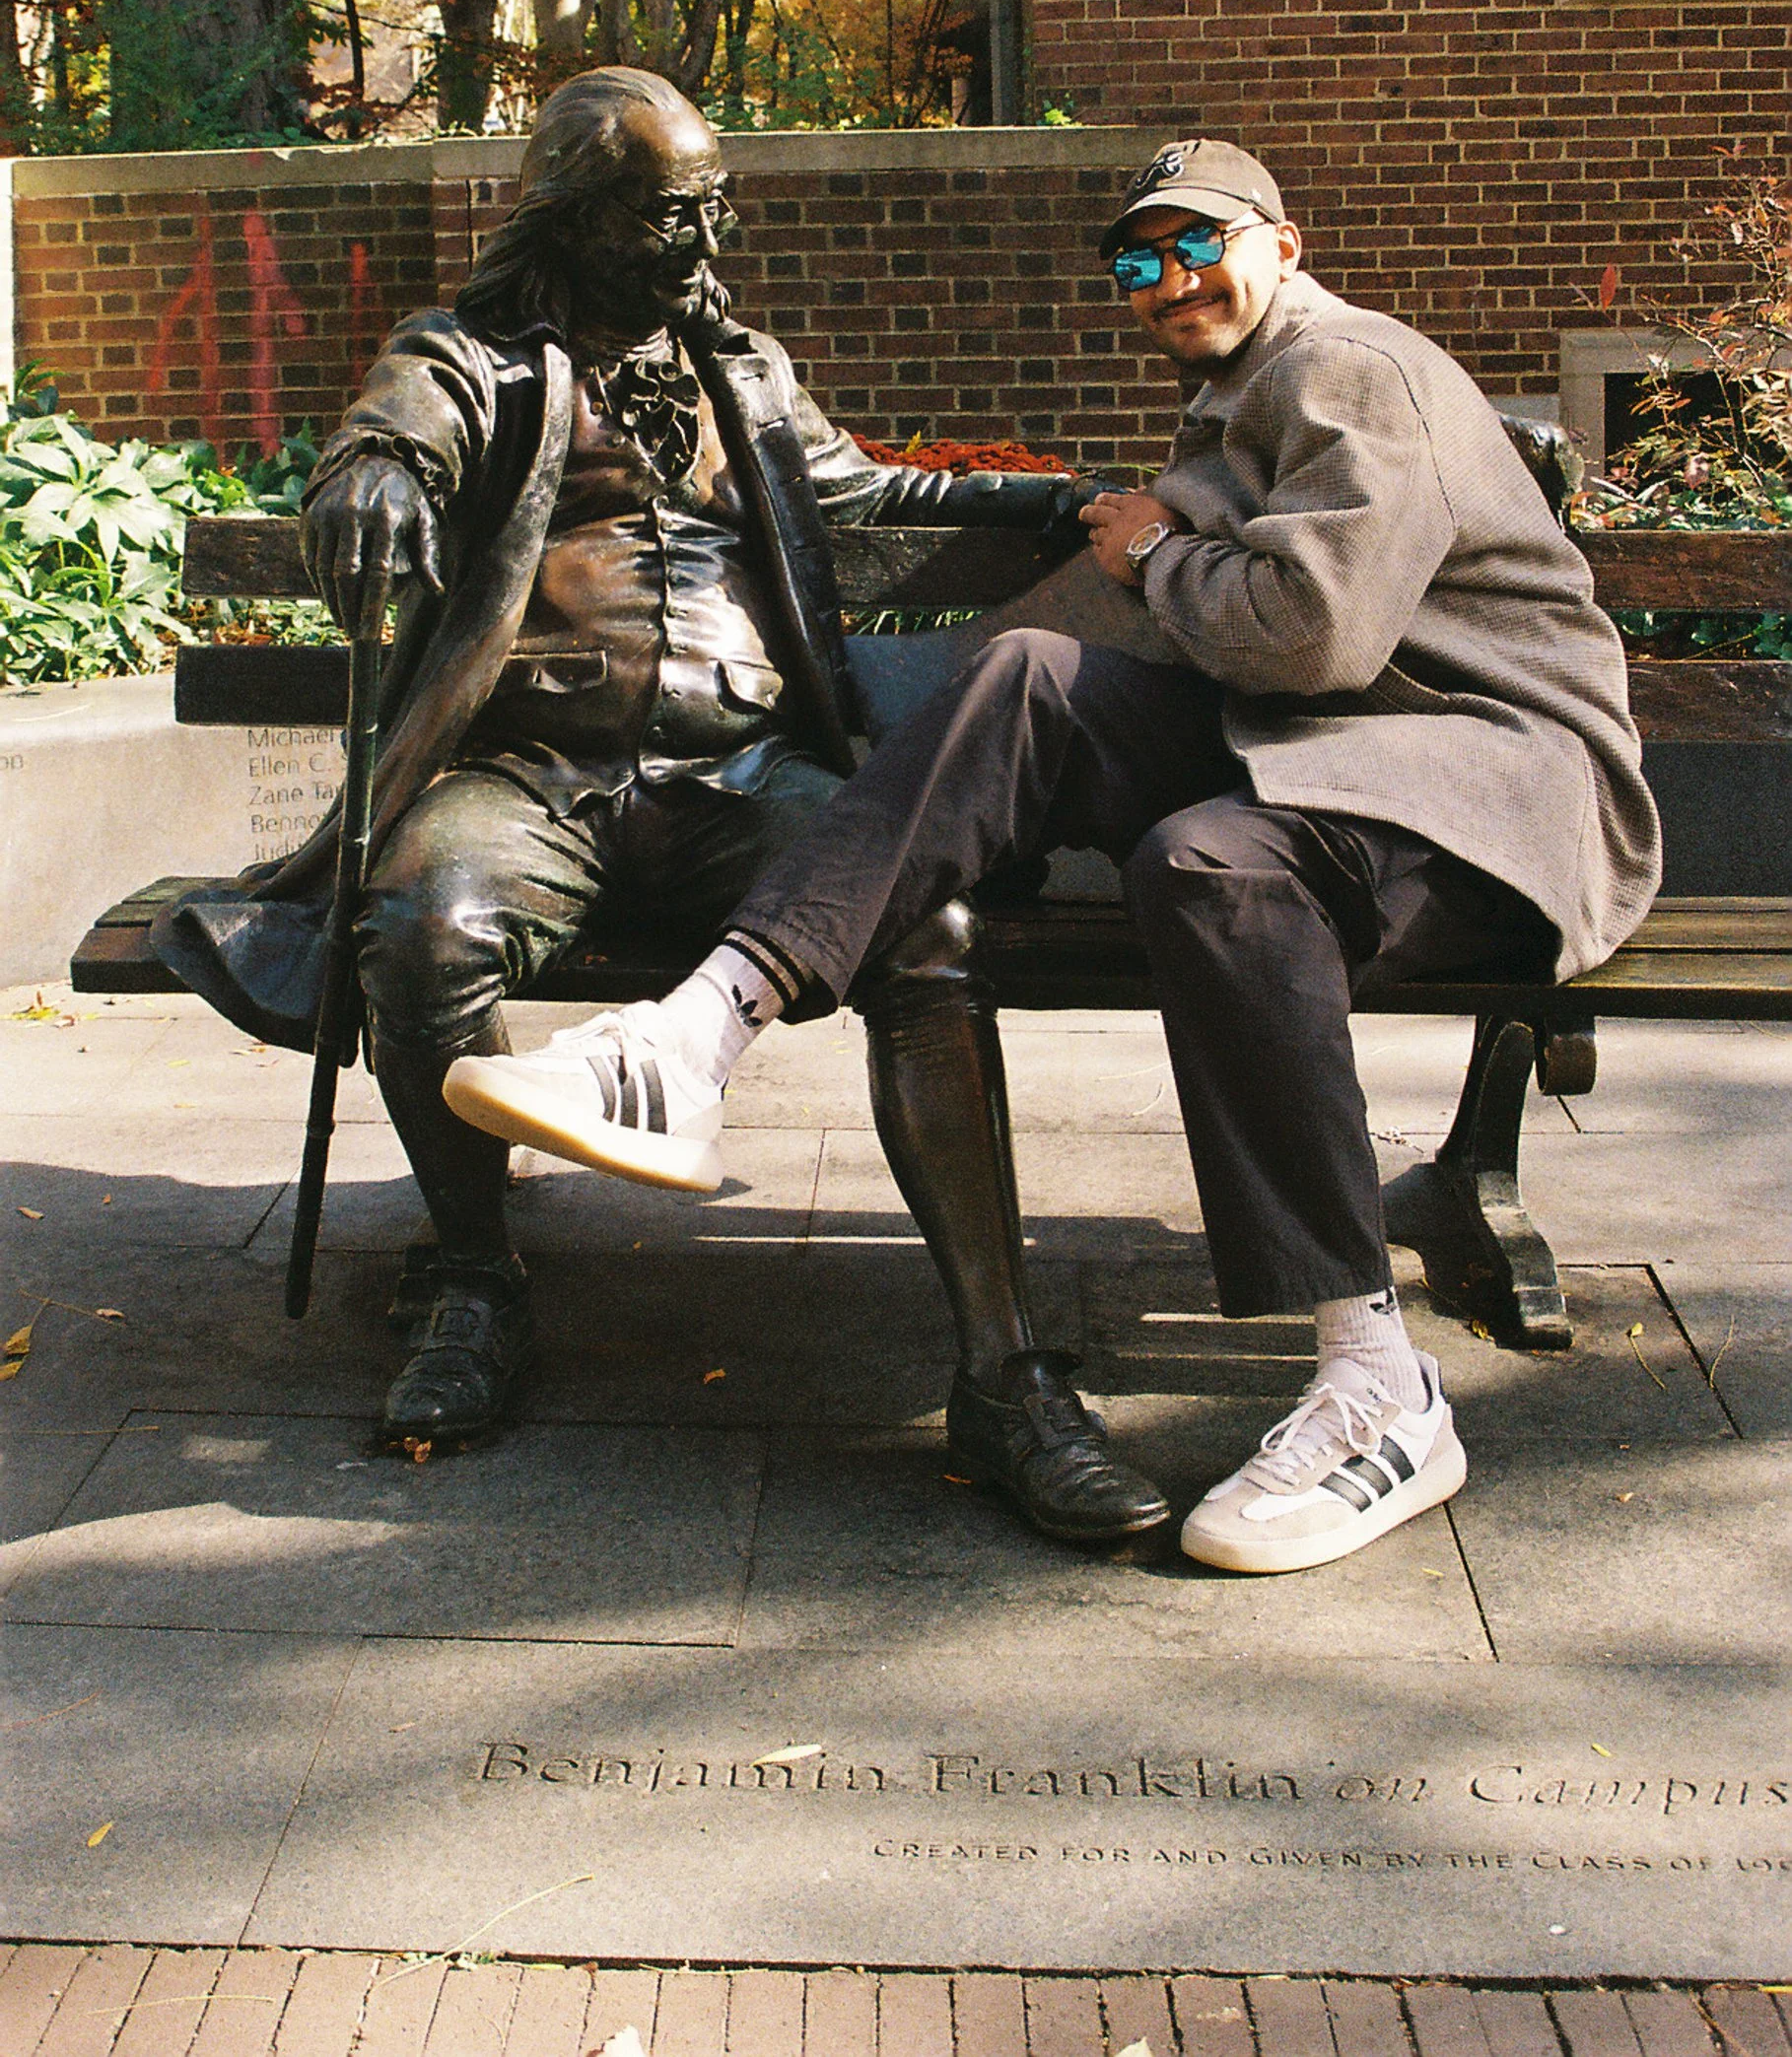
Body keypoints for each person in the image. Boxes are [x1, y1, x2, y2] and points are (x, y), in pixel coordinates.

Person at [448, 135, 1663, 1576]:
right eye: (1136, 259)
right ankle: (691, 1039)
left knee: (1210, 866)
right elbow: (1102, 645)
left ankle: (1377, 1393)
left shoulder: (1347, 370)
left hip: (1487, 795)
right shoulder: (1229, 406)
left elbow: (1308, 632)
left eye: (1199, 240)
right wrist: (926, 750)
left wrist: (1152, 554)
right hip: (1331, 761)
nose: (1168, 278)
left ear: (1282, 242)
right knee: (1034, 685)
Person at [150, 67, 1170, 1546]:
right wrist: (365, 492)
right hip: (530, 778)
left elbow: (860, 493)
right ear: (574, 213)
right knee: (423, 918)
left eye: (712, 206)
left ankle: (1003, 1370)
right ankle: (475, 1271)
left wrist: (1067, 500)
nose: (701, 238)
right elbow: (380, 452)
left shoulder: (736, 366)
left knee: (924, 927)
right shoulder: (467, 358)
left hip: (747, 772)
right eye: (667, 212)